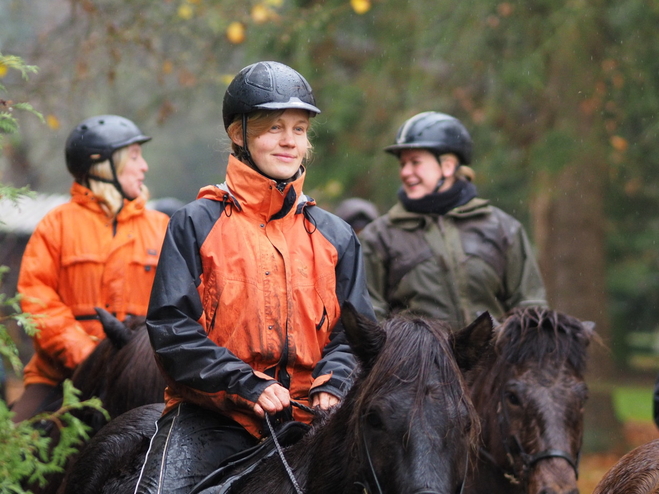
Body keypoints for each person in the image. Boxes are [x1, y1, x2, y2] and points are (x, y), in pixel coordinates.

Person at [135, 61, 375, 493]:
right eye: (274, 128)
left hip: (313, 421)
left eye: (299, 130)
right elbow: (171, 331)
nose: (289, 141)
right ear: (238, 133)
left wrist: (334, 382)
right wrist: (244, 382)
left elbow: (357, 334)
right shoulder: (194, 222)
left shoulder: (338, 235)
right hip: (214, 418)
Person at [11, 115, 170, 422]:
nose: (144, 167)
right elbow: (37, 302)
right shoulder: (56, 225)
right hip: (59, 380)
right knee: (15, 451)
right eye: (134, 157)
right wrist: (88, 358)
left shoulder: (162, 228)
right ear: (102, 165)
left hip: (140, 380)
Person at [359, 111, 547, 329]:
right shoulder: (378, 237)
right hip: (420, 363)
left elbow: (531, 309)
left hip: (495, 361)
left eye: (415, 162)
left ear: (447, 166)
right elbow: (370, 321)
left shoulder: (504, 229)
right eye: (402, 164)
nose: (406, 172)